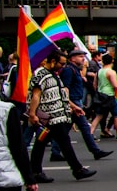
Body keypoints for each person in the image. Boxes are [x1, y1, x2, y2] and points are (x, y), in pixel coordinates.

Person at [26, 49, 97, 183]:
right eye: (61, 63)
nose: (63, 66)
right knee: (63, 142)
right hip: (49, 117)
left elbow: (60, 94)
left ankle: (36, 172)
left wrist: (73, 107)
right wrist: (32, 114)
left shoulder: (53, 74)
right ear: (53, 62)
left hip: (56, 116)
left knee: (42, 144)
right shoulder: (41, 74)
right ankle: (77, 169)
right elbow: (36, 95)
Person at [58, 49, 112, 161]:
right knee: (82, 127)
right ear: (72, 58)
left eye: (83, 56)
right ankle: (95, 151)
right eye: (80, 56)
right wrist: (71, 105)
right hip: (73, 102)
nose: (83, 58)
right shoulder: (69, 70)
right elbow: (65, 88)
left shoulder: (75, 69)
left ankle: (55, 151)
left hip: (75, 101)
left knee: (63, 129)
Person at [89, 53, 117, 140]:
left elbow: (94, 84)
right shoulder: (111, 72)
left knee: (99, 115)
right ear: (112, 61)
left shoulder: (99, 71)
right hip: (110, 95)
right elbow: (115, 85)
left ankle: (91, 133)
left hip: (100, 95)